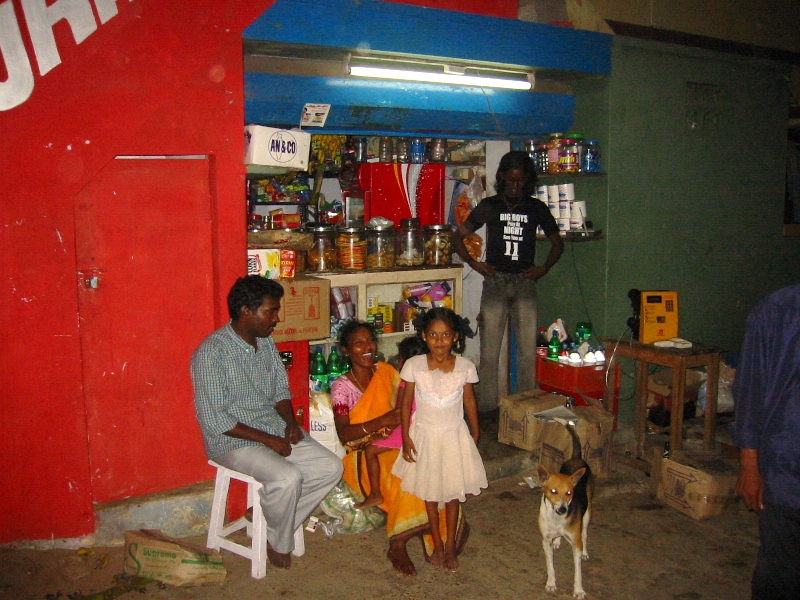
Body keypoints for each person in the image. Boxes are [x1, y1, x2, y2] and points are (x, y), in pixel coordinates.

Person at [190, 276, 343, 569]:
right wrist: (268, 440)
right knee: (287, 478)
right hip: (231, 440)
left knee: (330, 467)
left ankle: (267, 512)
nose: (277, 318)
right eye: (270, 311)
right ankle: (278, 541)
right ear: (246, 311)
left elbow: (279, 390)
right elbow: (215, 419)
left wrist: (289, 423)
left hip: (271, 427)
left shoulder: (265, 341)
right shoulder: (211, 353)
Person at [331, 320, 470, 576]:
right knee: (403, 478)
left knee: (430, 470)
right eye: (358, 343)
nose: (367, 348)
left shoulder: (387, 372)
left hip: (400, 437)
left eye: (370, 341)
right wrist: (382, 422)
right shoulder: (342, 387)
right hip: (364, 451)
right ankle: (398, 542)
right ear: (345, 350)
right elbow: (344, 433)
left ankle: (439, 539)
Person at [452, 150, 564, 423]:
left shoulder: (535, 207)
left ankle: (525, 411)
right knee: (489, 352)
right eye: (511, 180)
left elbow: (557, 242)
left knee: (527, 352)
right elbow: (457, 237)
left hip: (525, 283)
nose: (515, 185)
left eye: (520, 181)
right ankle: (489, 412)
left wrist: (543, 268)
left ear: (527, 180)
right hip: (496, 281)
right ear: (502, 177)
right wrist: (474, 263)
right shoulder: (490, 205)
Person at [392, 308, 487, 571]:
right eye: (433, 334)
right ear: (424, 336)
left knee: (453, 493)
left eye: (446, 335)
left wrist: (475, 431)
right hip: (425, 436)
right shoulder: (414, 366)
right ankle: (435, 542)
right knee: (431, 494)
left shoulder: (465, 367)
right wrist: (406, 438)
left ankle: (449, 547)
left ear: (455, 337)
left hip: (453, 436)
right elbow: (405, 404)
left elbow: (469, 400)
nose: (439, 340)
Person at [732, 284, 800, 600]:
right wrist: (750, 463)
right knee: (780, 573)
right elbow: (750, 391)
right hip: (788, 473)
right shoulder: (777, 311)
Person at [353, 335, 428, 510]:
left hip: (407, 431)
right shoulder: (427, 382)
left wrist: (386, 432)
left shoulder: (405, 385)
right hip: (422, 428)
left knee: (370, 450)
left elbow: (398, 414)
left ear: (402, 362)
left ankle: (375, 494)